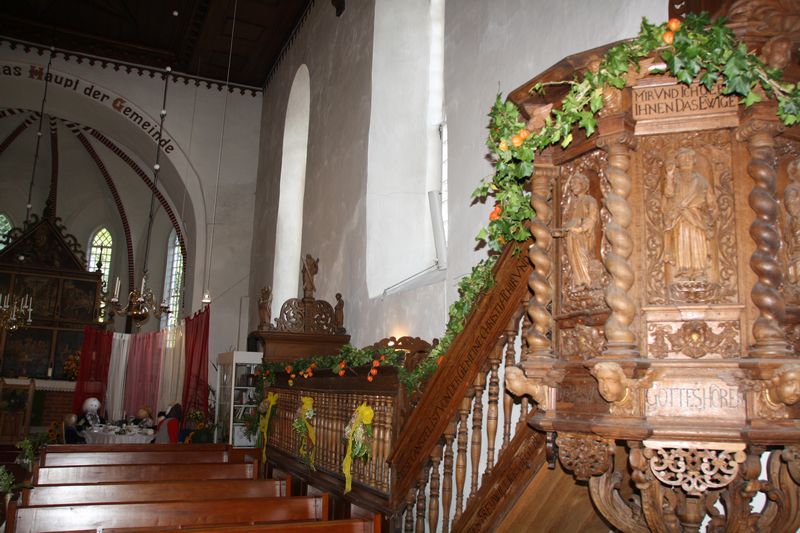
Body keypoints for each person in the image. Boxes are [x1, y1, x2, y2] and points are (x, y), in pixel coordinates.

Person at [662, 147, 717, 281]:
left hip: (696, 216)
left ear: (694, 161)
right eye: (682, 158)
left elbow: (710, 201)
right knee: (682, 239)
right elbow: (668, 193)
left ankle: (699, 270)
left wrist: (710, 215)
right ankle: (684, 269)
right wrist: (669, 176)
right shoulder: (674, 179)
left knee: (697, 240)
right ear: (677, 163)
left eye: (689, 158)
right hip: (680, 216)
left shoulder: (702, 181)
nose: (686, 161)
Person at [555, 172, 599, 289]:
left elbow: (592, 218)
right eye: (571, 184)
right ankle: (579, 282)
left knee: (582, 257)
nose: (572, 186)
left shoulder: (589, 200)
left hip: (583, 236)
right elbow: (569, 222)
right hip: (572, 236)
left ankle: (586, 281)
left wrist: (580, 228)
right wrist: (562, 230)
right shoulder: (572, 204)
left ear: (583, 184)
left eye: (575, 183)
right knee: (573, 259)